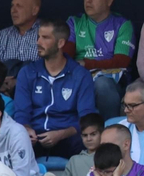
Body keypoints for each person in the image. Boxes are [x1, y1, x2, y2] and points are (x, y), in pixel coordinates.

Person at [13, 20, 96, 160]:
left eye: (45, 38)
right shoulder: (28, 72)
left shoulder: (80, 75)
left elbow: (86, 118)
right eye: (38, 37)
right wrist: (26, 129)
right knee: (14, 138)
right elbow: (21, 112)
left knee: (85, 141)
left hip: (67, 137)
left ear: (60, 43)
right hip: (36, 137)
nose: (38, 42)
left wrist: (61, 134)